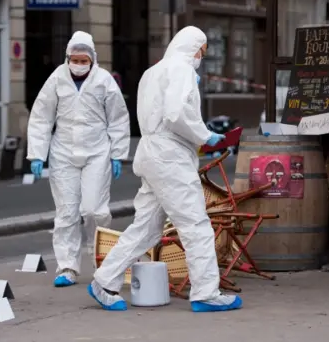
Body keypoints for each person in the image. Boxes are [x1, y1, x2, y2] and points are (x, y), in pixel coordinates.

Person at [87, 26, 241, 313]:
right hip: (170, 158)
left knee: (145, 228)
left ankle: (104, 281)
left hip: (151, 153)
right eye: (201, 52)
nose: (200, 58)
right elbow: (176, 114)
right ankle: (206, 293)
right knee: (195, 225)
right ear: (193, 48)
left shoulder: (152, 72)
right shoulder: (181, 70)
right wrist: (204, 135)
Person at [27, 31, 131, 288]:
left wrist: (118, 153)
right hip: (63, 153)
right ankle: (67, 266)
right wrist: (37, 153)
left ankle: (103, 260)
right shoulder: (56, 79)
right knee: (66, 214)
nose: (79, 63)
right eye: (75, 59)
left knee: (95, 209)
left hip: (97, 152)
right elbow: (42, 116)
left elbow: (118, 118)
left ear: (93, 59)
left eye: (84, 60)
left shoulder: (104, 80)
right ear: (68, 58)